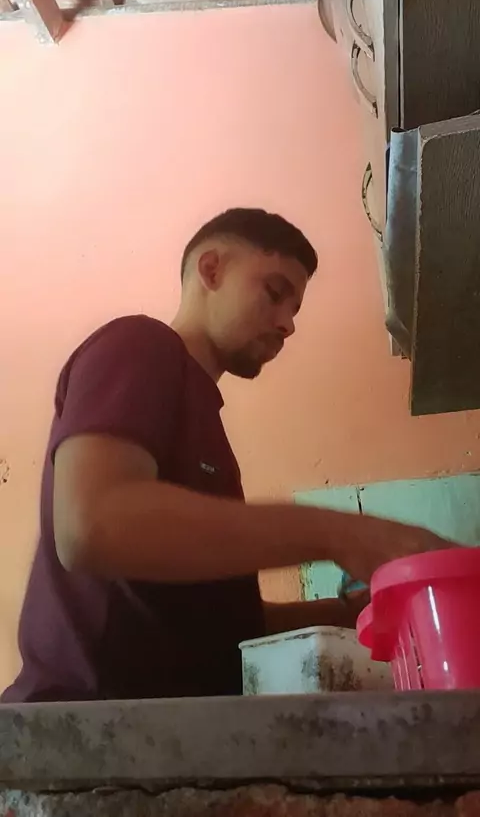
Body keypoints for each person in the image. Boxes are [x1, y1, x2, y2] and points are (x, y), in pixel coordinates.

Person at [3, 208, 446, 703]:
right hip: (82, 729)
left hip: (166, 732)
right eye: (275, 293)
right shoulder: (140, 344)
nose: (288, 324)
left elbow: (220, 632)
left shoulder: (203, 421)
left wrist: (352, 614)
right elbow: (92, 525)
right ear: (211, 269)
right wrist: (344, 533)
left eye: (295, 309)